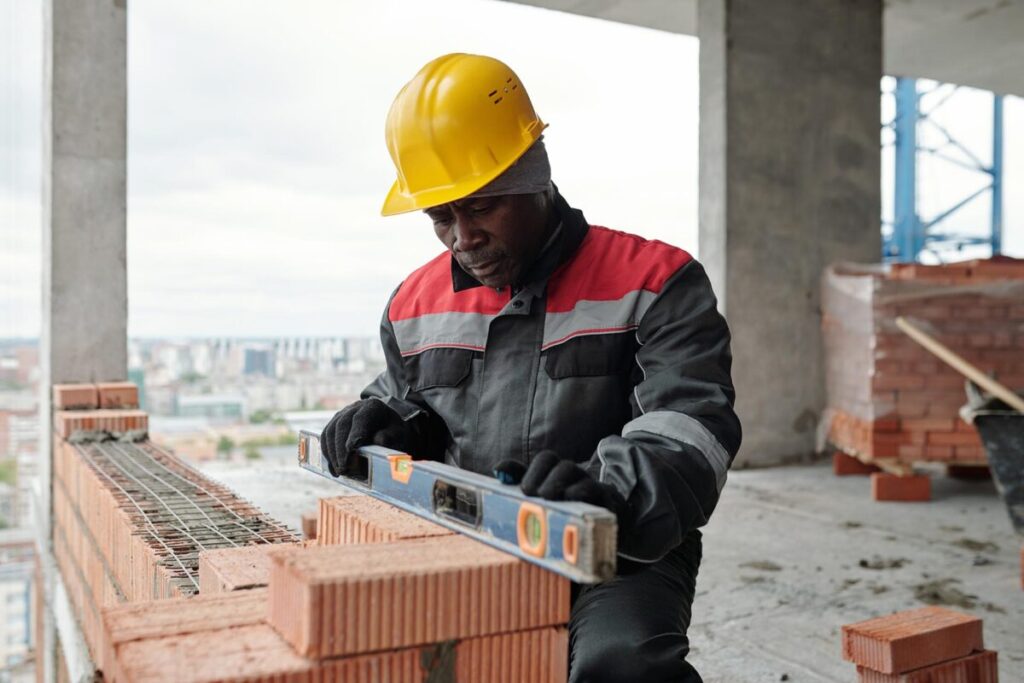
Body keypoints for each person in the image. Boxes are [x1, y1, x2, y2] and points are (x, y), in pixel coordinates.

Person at [320, 53, 741, 683]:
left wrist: (609, 497)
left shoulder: (656, 281)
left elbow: (691, 426)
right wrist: (389, 422)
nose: (463, 238)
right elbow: (410, 400)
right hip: (471, 532)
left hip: (621, 544)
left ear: (534, 176)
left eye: (483, 206)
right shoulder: (413, 302)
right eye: (441, 217)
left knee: (620, 666)